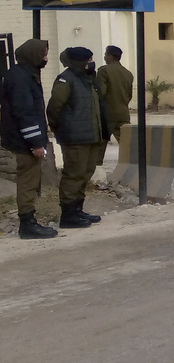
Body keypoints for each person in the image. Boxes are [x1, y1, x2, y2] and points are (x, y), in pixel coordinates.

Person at [1, 38, 58, 239]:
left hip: (22, 139)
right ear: (33, 55)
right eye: (44, 54)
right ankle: (27, 224)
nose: (46, 59)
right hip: (24, 142)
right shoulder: (21, 78)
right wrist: (35, 142)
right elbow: (24, 112)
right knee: (28, 181)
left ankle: (29, 221)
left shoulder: (22, 74)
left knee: (29, 180)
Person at [46, 46, 108, 228]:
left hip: (92, 135)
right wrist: (59, 129)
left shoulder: (88, 79)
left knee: (85, 173)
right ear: (79, 62)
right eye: (88, 60)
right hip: (74, 138)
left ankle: (77, 210)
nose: (91, 63)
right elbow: (54, 108)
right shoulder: (66, 79)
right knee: (73, 174)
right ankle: (68, 215)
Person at [96, 45, 133, 143]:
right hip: (123, 113)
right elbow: (129, 95)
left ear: (110, 56)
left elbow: (101, 92)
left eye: (105, 55)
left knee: (99, 146)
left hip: (107, 114)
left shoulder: (103, 70)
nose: (104, 57)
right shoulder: (127, 73)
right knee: (127, 145)